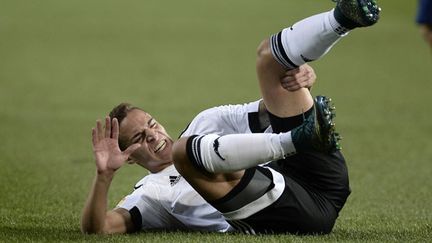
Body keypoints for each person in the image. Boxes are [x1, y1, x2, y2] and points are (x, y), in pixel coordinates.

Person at [80, 0, 380, 235]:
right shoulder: (150, 196)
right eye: (139, 138)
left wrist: (303, 81)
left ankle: (342, 19)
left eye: (152, 124)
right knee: (185, 152)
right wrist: (104, 177)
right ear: (128, 157)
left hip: (320, 176)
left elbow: (272, 105)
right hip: (290, 215)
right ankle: (297, 138)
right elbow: (99, 229)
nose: (154, 136)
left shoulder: (207, 120)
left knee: (270, 60)